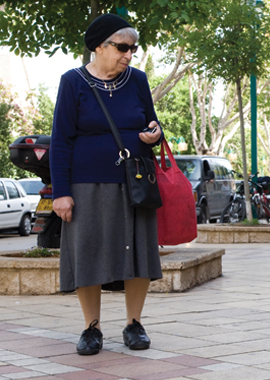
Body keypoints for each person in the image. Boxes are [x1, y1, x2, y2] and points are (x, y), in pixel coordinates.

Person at [50, 14, 163, 356]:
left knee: (138, 251)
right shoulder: (72, 82)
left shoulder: (138, 80)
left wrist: (154, 134)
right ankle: (91, 328)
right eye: (122, 47)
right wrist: (61, 192)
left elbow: (152, 123)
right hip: (86, 183)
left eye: (133, 48)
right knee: (88, 253)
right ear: (99, 46)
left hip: (134, 182)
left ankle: (134, 324)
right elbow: (60, 140)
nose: (129, 55)